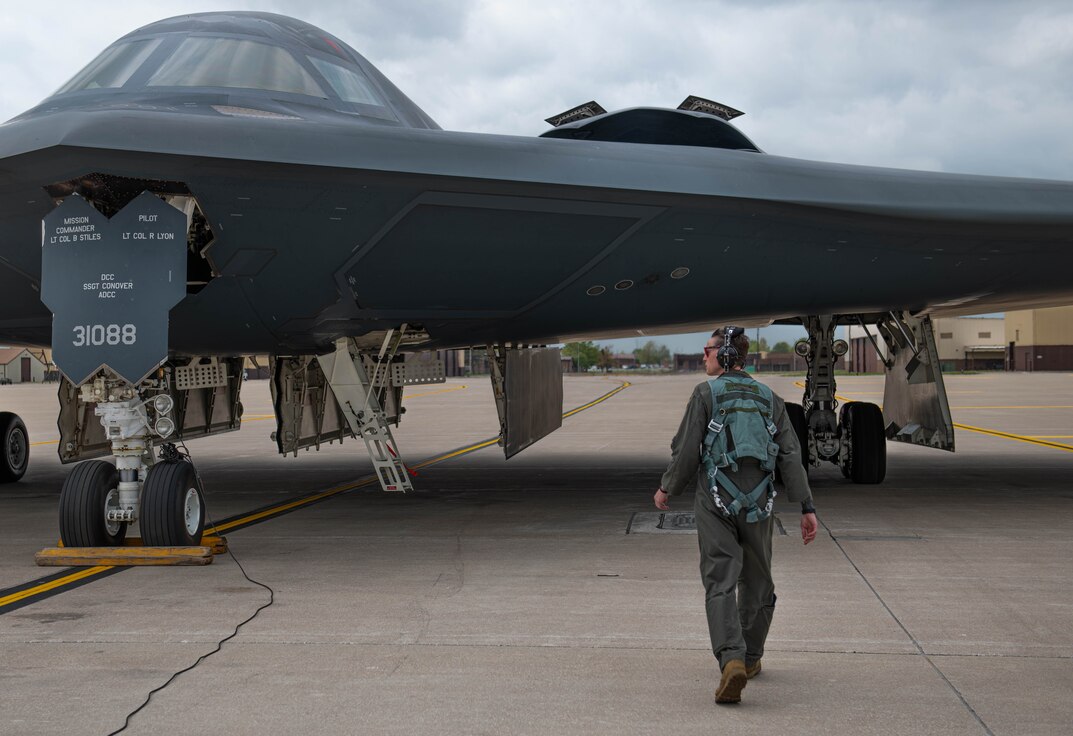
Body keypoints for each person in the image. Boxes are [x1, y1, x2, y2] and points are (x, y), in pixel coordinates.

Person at [654, 326, 817, 704]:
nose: (704, 356)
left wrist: (668, 487)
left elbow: (686, 449)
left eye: (708, 350)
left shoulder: (705, 393)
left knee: (720, 577)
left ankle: (731, 659)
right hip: (760, 501)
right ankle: (752, 657)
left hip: (715, 500)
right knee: (759, 578)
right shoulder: (770, 397)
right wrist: (806, 506)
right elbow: (791, 454)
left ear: (725, 355)